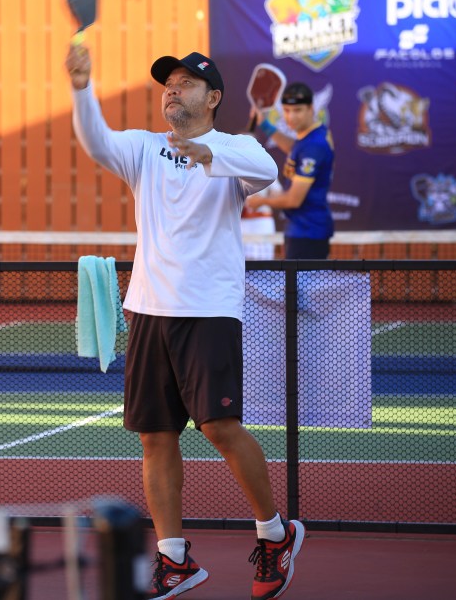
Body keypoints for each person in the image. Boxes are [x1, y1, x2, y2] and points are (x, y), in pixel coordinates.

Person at [65, 45, 305, 600]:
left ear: (213, 96)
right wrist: (81, 87)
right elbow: (96, 141)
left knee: (220, 428)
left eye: (185, 82)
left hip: (209, 309)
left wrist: (206, 153)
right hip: (150, 309)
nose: (172, 89)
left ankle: (275, 534)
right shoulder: (142, 148)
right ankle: (173, 559)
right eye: (167, 83)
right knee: (155, 437)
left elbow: (268, 171)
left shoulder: (236, 149)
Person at [247, 83, 334, 259]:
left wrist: (261, 201)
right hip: (304, 229)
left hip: (307, 233)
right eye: (286, 110)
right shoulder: (312, 136)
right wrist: (265, 124)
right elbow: (295, 149)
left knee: (300, 279)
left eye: (297, 110)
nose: (291, 117)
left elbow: (294, 200)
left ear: (311, 108)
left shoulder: (313, 146)